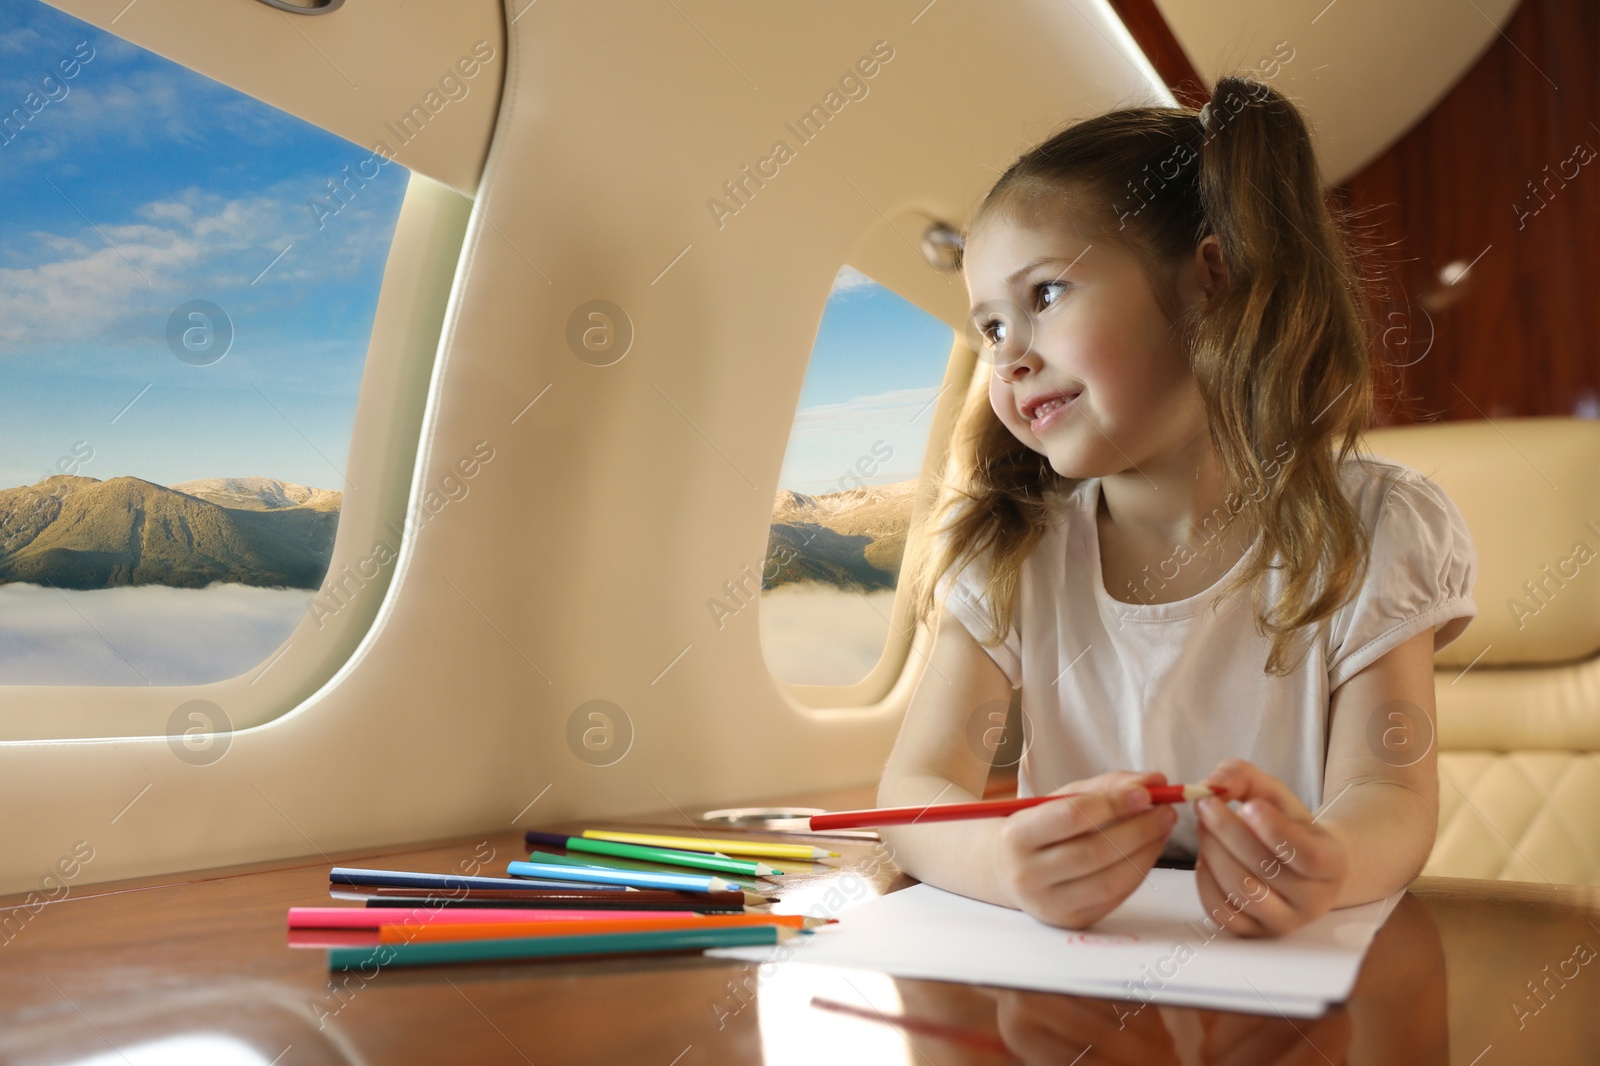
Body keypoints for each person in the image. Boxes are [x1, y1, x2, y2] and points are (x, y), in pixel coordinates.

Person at [881, 74, 1479, 938]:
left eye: (1044, 296)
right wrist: (1004, 863)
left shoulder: (1377, 527)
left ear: (1211, 279)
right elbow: (914, 789)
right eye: (991, 326)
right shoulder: (1009, 549)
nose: (1008, 357)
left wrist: (1329, 861)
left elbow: (1387, 790)